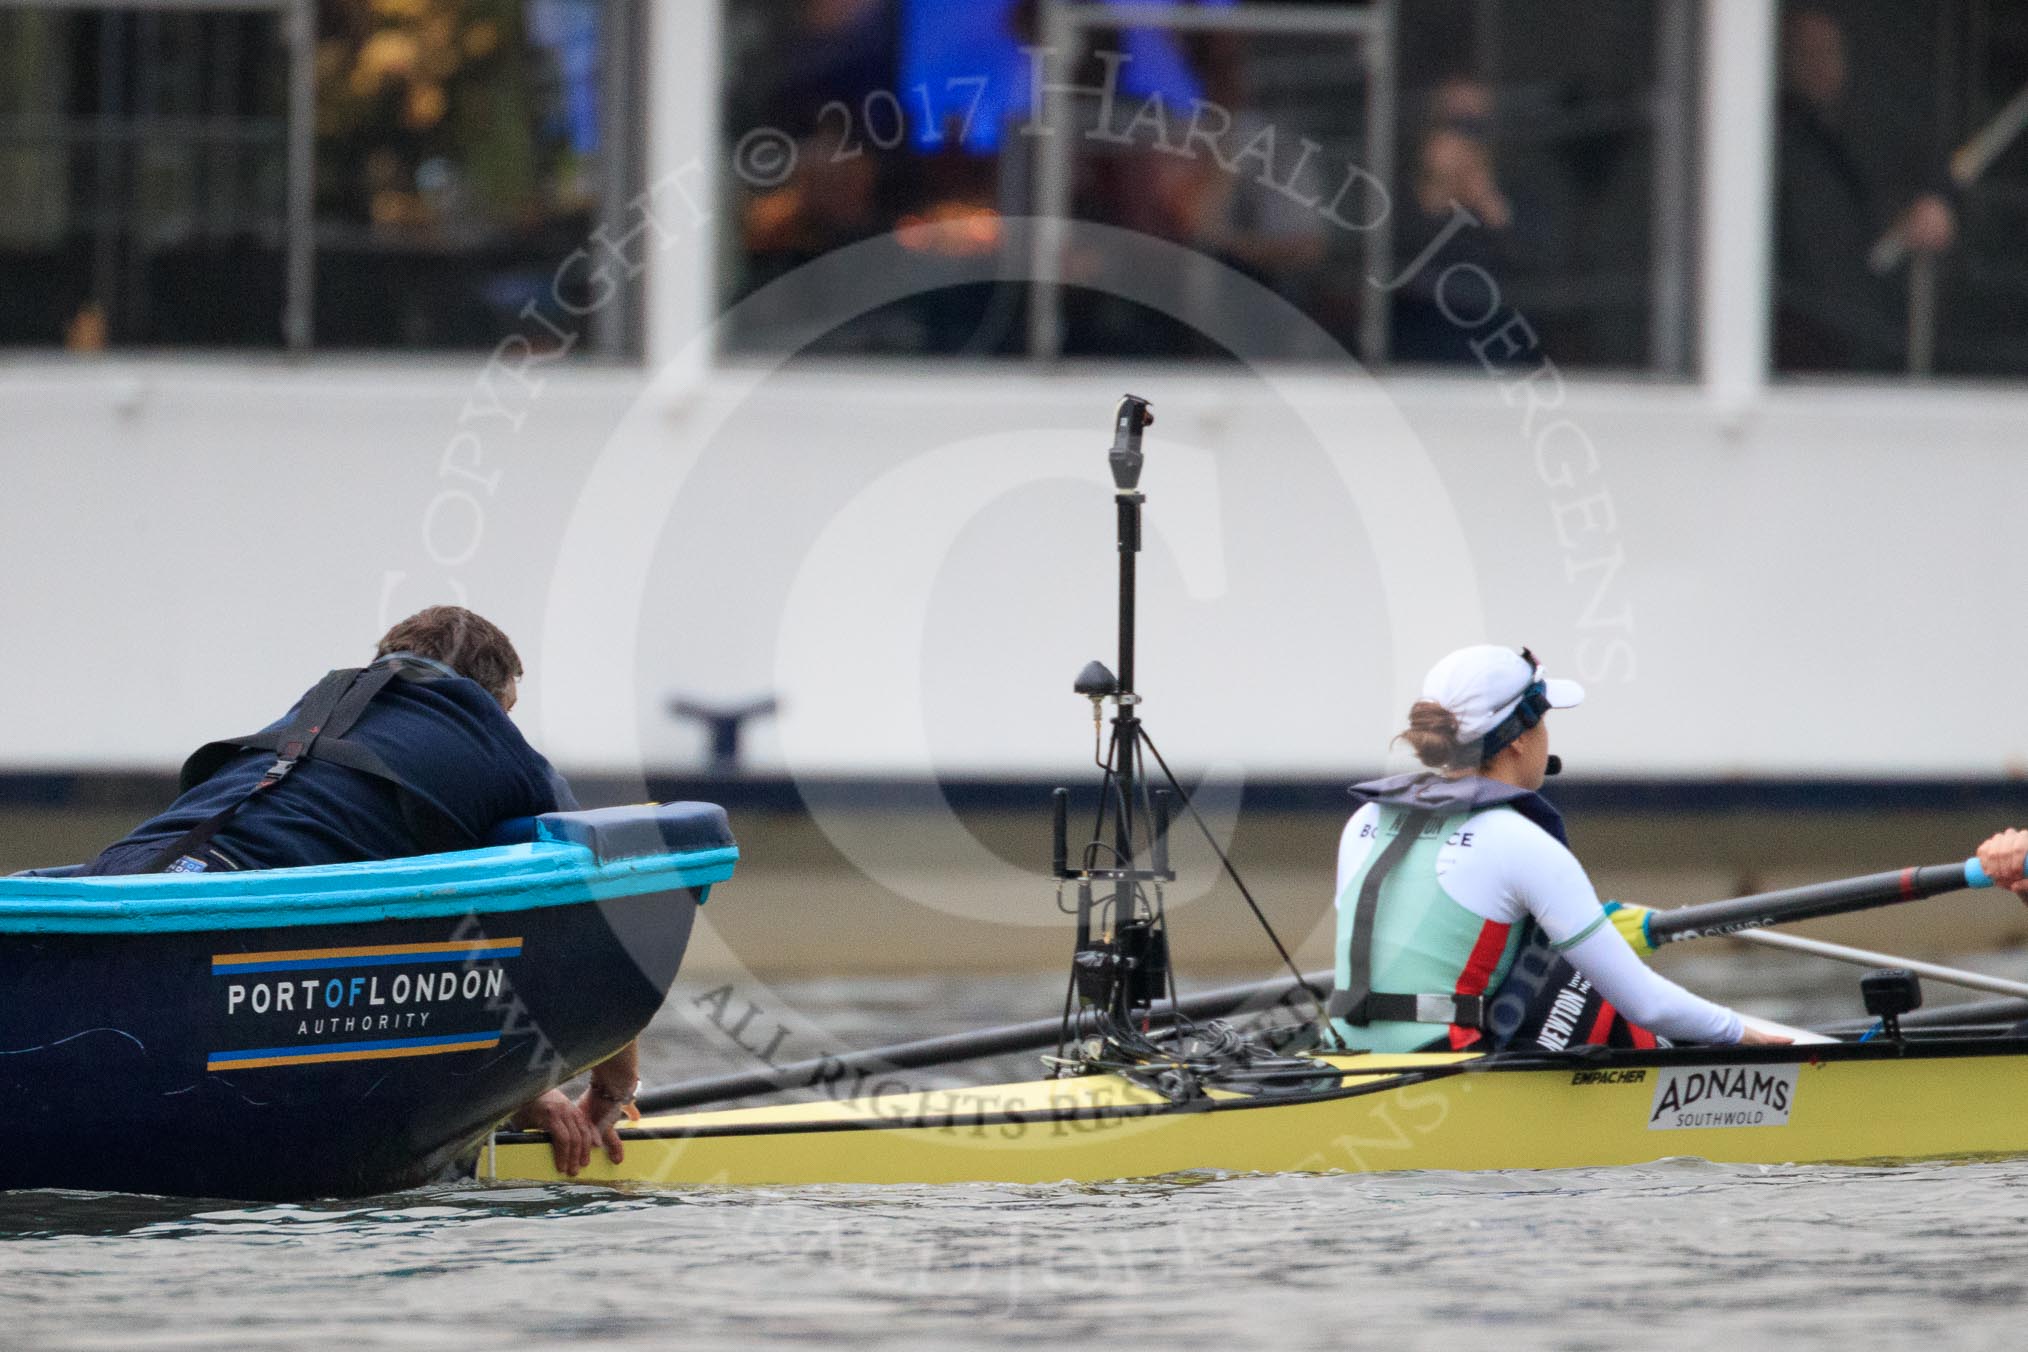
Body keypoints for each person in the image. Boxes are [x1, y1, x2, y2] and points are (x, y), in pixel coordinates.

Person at [84, 604, 636, 1174]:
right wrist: (611, 1086)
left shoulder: (320, 708)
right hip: (231, 905)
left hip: (121, 875)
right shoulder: (501, 750)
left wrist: (518, 1091)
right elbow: (595, 919)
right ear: (493, 700)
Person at [1330, 644, 1787, 1054]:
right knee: (1584, 979)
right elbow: (1645, 1004)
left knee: (1559, 958)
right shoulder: (1517, 840)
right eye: (1545, 718)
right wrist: (1739, 1031)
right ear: (1520, 741)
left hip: (1346, 1049)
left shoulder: (1365, 820)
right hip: (1445, 1063)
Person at [1775, 8, 1956, 372]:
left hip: (1852, 353)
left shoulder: (1844, 142)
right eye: (1806, 54)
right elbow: (1823, 254)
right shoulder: (1779, 148)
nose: (1819, 65)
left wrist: (1904, 231)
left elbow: (1866, 251)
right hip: (1803, 358)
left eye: (1829, 52)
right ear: (1782, 62)